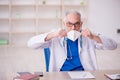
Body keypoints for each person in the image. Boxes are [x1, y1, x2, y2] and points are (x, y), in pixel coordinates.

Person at [27, 10, 117, 72]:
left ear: (81, 24)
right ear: (64, 23)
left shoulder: (89, 36)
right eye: (69, 24)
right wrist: (53, 35)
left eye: (76, 24)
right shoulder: (56, 36)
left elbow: (113, 45)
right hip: (60, 75)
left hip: (85, 74)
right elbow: (30, 44)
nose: (73, 28)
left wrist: (93, 37)